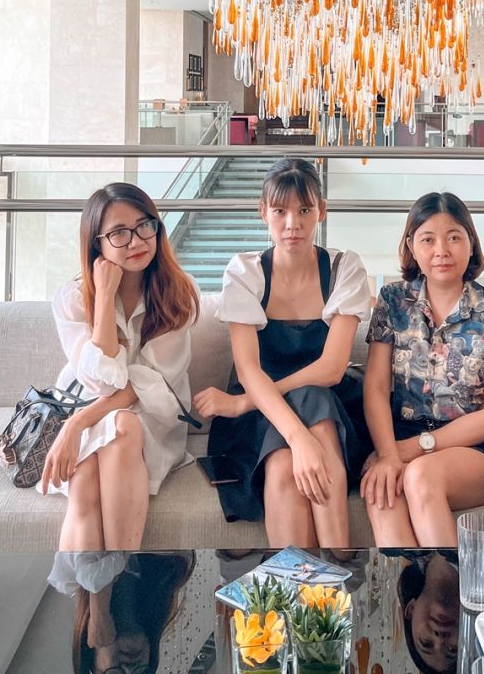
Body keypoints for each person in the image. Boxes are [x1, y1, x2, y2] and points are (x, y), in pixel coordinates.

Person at [193, 156, 371, 546]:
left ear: (321, 211)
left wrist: (243, 402)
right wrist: (298, 438)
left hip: (328, 404)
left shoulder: (344, 268)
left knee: (314, 398)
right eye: (280, 211)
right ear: (264, 213)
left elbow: (330, 369)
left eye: (304, 210)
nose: (293, 224)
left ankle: (332, 564)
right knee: (282, 468)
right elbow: (249, 371)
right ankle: (327, 569)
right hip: (264, 414)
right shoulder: (245, 272)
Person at [361, 191, 484, 545]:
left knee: (420, 476)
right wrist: (388, 454)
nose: (441, 250)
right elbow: (375, 388)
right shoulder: (392, 301)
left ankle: (448, 581)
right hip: (398, 435)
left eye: (454, 237)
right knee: (382, 487)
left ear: (471, 243)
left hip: (479, 447)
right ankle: (412, 580)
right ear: (411, 246)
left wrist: (410, 450)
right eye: (428, 239)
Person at [41, 182, 200, 551]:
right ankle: (106, 588)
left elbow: (147, 384)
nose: (136, 241)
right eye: (119, 233)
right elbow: (100, 382)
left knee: (124, 425)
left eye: (144, 226)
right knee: (84, 477)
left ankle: (113, 574)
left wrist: (75, 425)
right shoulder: (73, 298)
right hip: (90, 403)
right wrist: (104, 297)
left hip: (150, 414)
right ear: (97, 243)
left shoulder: (178, 293)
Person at [49, 550, 195, 673]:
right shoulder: (173, 573)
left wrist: (99, 613)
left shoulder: (67, 577)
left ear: (90, 658)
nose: (130, 669)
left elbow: (91, 530)